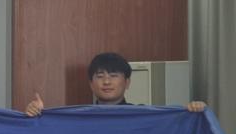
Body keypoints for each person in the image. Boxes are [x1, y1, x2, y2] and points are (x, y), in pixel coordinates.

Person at [24, 52, 207, 115]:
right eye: (100, 76)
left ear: (127, 82)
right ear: (91, 84)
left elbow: (174, 129)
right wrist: (38, 116)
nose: (106, 81)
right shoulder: (79, 117)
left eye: (113, 75)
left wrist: (192, 112)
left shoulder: (142, 115)